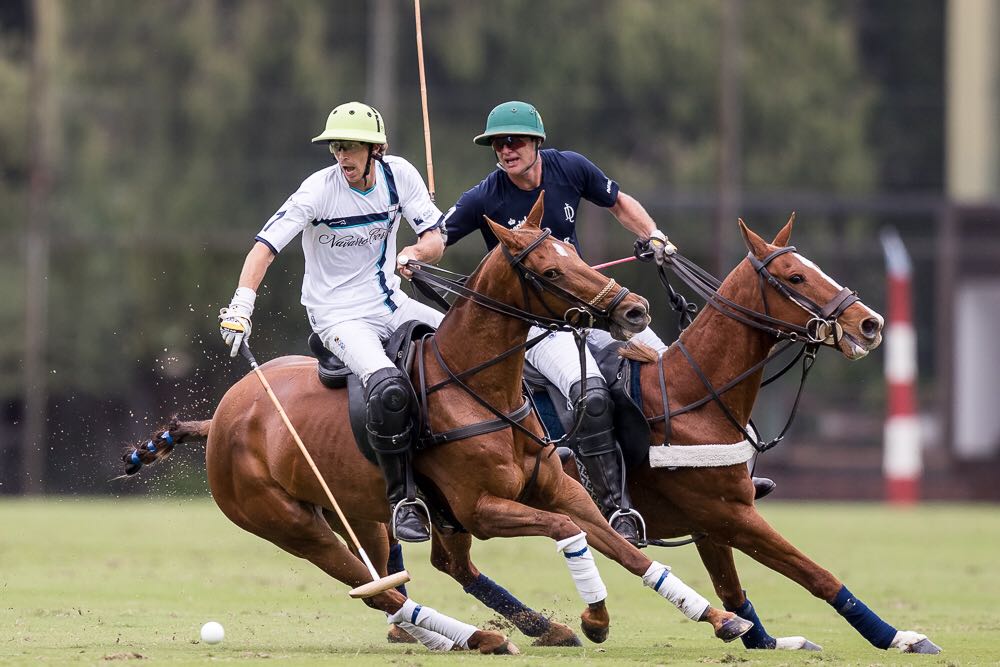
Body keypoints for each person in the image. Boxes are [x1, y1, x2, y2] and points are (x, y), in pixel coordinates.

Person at [438, 101, 774, 545]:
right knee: (590, 393)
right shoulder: (485, 196)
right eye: (497, 144)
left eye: (514, 141)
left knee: (671, 372)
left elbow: (619, 202)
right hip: (537, 324)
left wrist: (652, 234)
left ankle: (720, 474)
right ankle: (617, 508)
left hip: (586, 304)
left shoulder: (570, 168)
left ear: (536, 143)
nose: (505, 150)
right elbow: (437, 237)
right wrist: (412, 254)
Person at [218, 101, 445, 543]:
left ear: (375, 149)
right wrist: (242, 304)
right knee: (388, 387)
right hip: (337, 316)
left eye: (351, 147)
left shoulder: (400, 176)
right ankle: (404, 501)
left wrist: (415, 252)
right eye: (336, 147)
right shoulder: (317, 191)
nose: (342, 155)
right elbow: (264, 248)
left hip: (390, 303)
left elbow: (435, 237)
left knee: (468, 353)